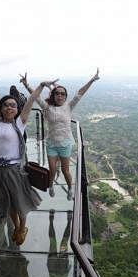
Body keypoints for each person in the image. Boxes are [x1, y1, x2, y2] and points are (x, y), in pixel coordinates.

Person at [0, 80, 57, 245]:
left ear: (17, 109)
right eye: (6, 105)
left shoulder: (19, 123)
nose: (9, 107)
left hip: (15, 170)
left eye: (13, 105)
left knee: (20, 201)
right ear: (1, 109)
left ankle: (23, 227)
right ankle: (16, 225)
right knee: (8, 202)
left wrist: (41, 86)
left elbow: (31, 100)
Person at [20, 69, 100, 200]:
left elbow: (80, 93)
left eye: (63, 94)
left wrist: (92, 80)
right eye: (57, 93)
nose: (60, 96)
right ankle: (50, 185)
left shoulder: (68, 106)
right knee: (52, 169)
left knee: (65, 170)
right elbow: (35, 97)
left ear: (65, 96)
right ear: (53, 95)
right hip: (51, 143)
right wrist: (26, 84)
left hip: (65, 143)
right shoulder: (47, 107)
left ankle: (70, 188)